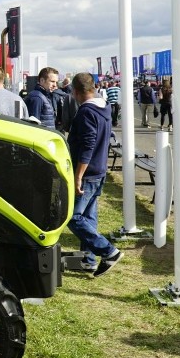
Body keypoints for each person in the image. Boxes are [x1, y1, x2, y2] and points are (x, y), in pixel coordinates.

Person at [66, 72, 123, 277]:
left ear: (76, 91)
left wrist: (78, 175)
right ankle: (88, 259)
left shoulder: (86, 112)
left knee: (73, 217)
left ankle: (108, 251)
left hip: (88, 172)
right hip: (99, 169)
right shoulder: (105, 108)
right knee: (89, 216)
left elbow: (88, 144)